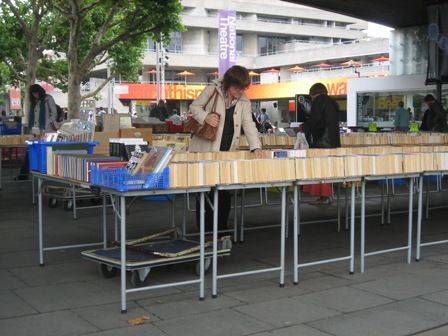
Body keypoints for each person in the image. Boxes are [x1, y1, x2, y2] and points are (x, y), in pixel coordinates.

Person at [189, 65, 267, 233]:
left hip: (227, 151)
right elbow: (194, 107)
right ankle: (207, 231)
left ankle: (222, 229)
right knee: (205, 190)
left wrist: (256, 147)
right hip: (206, 149)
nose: (241, 91)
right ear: (228, 83)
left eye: (244, 88)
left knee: (225, 192)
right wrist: (206, 117)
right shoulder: (211, 90)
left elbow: (249, 125)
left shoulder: (244, 100)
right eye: (238, 87)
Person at [298, 82, 341, 205]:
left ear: (313, 93)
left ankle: (324, 196)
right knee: (328, 168)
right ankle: (327, 195)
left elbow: (316, 119)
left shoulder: (318, 101)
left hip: (322, 141)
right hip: (332, 141)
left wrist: (304, 127)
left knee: (320, 168)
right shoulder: (332, 103)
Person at [17, 84, 58, 180]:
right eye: (33, 93)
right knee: (30, 151)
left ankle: (45, 174)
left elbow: (54, 112)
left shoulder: (48, 99)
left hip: (46, 130)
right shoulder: (34, 102)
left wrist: (50, 122)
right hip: (35, 131)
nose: (35, 95)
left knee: (45, 152)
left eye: (36, 92)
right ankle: (23, 174)